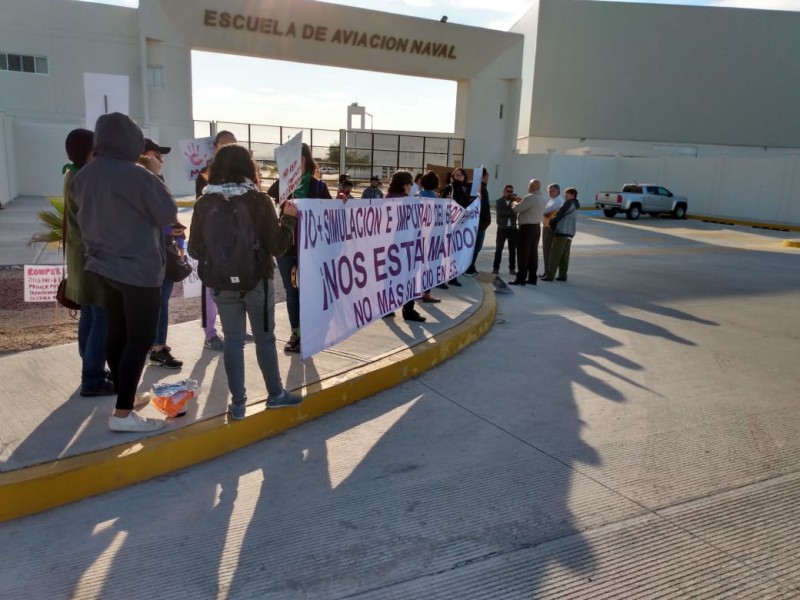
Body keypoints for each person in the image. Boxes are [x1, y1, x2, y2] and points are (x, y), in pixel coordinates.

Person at [72, 112, 177, 433]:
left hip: (103, 267)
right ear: (130, 140)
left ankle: (125, 395)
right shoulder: (138, 175)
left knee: (116, 333)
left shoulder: (84, 175)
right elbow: (167, 213)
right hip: (138, 270)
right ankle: (123, 415)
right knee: (140, 338)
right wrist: (156, 174)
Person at [188, 144, 302, 419]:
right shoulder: (259, 201)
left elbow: (193, 249)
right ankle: (275, 394)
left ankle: (238, 404)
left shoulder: (204, 202)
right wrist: (288, 220)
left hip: (221, 284)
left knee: (233, 341)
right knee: (264, 340)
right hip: (256, 282)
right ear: (249, 168)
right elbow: (277, 246)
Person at [266, 143, 332, 353]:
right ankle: (296, 333)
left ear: (305, 159)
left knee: (309, 292)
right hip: (286, 248)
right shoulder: (279, 186)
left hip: (311, 250)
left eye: (296, 158)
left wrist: (343, 204)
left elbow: (331, 216)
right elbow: (268, 211)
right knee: (292, 292)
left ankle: (309, 332)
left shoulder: (318, 187)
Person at [63, 128, 114, 397]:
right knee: (102, 316)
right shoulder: (86, 179)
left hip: (81, 258)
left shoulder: (73, 174)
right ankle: (92, 378)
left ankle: (91, 368)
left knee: (91, 314)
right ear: (89, 152)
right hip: (93, 259)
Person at [139, 137, 184, 370]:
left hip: (163, 253)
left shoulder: (158, 180)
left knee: (161, 304)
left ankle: (158, 346)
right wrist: (168, 228)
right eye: (156, 155)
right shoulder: (139, 183)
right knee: (153, 305)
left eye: (160, 155)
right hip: (148, 257)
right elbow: (145, 223)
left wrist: (178, 236)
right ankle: (155, 347)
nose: (161, 159)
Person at [195, 130, 238, 352]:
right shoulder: (204, 176)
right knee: (210, 291)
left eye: (233, 145)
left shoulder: (240, 176)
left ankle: (232, 327)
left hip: (233, 245)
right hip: (211, 245)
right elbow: (201, 210)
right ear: (215, 148)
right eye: (225, 146)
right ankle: (209, 333)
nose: (229, 150)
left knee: (232, 287)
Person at [385, 170, 427, 322]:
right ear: (404, 184)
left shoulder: (389, 198)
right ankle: (408, 310)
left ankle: (387, 307)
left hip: (392, 247)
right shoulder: (404, 201)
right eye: (410, 183)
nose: (411, 186)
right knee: (409, 276)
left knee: (391, 276)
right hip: (404, 246)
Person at [509, 179, 547, 286]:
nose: (528, 187)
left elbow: (517, 209)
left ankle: (520, 278)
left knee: (522, 254)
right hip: (536, 227)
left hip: (526, 228)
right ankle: (532, 277)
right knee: (532, 254)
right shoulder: (542, 198)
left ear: (532, 187)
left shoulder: (531, 197)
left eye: (529, 185)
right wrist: (522, 201)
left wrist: (514, 202)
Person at [439, 168, 473, 287]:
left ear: (464, 176)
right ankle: (441, 279)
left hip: (461, 224)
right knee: (446, 253)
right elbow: (441, 203)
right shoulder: (449, 188)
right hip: (449, 225)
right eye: (456, 174)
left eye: (461, 174)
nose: (458, 176)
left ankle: (453, 277)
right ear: (453, 176)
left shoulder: (467, 188)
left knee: (456, 252)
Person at [542, 187, 580, 282]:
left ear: (572, 194)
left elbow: (559, 214)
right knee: (564, 255)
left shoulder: (568, 203)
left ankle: (550, 276)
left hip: (562, 231)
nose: (565, 195)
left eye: (566, 194)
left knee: (555, 254)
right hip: (570, 232)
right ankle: (563, 275)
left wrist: (551, 222)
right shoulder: (576, 204)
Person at [418, 170, 442, 304]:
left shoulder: (417, 196)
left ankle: (415, 292)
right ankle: (426, 294)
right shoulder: (436, 200)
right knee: (429, 266)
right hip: (431, 238)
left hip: (418, 237)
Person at [464, 168, 491, 276]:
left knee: (473, 247)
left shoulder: (472, 187)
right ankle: (469, 268)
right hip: (479, 223)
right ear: (484, 176)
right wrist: (486, 220)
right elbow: (483, 207)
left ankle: (470, 266)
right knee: (476, 247)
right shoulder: (480, 188)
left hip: (477, 222)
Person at [491, 184, 518, 275]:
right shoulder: (499, 202)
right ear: (504, 191)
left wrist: (515, 204)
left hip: (513, 229)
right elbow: (502, 213)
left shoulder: (514, 202)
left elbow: (517, 211)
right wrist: (512, 211)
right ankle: (495, 268)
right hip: (502, 228)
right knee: (499, 249)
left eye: (511, 191)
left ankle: (512, 268)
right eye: (508, 191)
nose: (510, 193)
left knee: (512, 250)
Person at [541, 183, 563, 278]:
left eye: (553, 191)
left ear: (558, 191)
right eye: (549, 191)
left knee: (548, 251)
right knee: (546, 251)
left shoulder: (558, 201)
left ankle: (549, 273)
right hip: (546, 227)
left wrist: (545, 212)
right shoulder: (552, 200)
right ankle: (547, 271)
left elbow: (544, 211)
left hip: (550, 229)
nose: (550, 192)